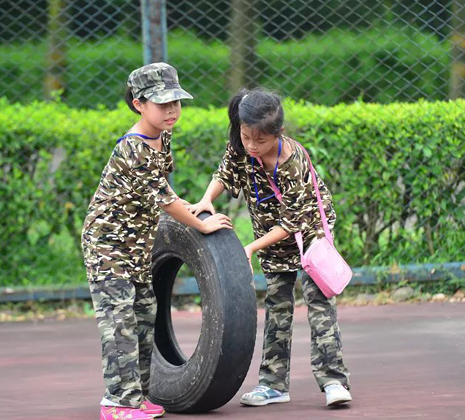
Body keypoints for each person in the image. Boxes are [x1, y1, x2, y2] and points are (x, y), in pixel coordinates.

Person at [81, 63, 233, 420]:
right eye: (161, 104)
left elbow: (163, 191)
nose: (171, 111)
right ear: (138, 104)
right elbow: (165, 200)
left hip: (135, 246)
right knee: (119, 322)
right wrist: (202, 225)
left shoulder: (162, 138)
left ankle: (139, 396)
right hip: (107, 247)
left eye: (176, 103)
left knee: (145, 314)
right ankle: (117, 402)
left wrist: (190, 210)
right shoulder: (134, 148)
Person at [187, 87, 352, 407]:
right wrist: (207, 198)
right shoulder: (242, 146)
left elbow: (293, 221)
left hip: (309, 236)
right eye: (246, 136)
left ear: (278, 133)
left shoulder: (293, 162)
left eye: (259, 141)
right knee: (277, 305)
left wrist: (249, 248)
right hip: (271, 239)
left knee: (319, 305)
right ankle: (273, 384)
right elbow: (225, 172)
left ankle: (334, 380)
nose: (251, 145)